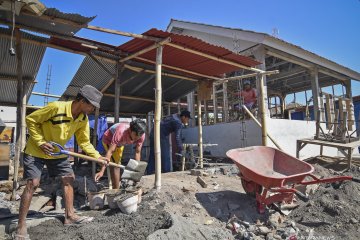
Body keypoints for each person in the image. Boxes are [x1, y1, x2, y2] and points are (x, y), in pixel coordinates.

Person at [14, 85, 108, 240]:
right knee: (33, 182)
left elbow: (84, 142)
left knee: (68, 178)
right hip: (37, 150)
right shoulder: (56, 108)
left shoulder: (82, 119)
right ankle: (21, 225)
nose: (92, 109)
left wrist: (98, 156)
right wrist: (40, 141)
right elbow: (31, 120)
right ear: (82, 100)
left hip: (57, 151)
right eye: (91, 105)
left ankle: (69, 216)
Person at [94, 119, 146, 189]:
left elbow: (137, 152)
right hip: (108, 141)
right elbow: (110, 151)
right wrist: (102, 171)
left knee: (117, 163)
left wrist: (137, 173)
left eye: (139, 136)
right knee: (116, 165)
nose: (137, 138)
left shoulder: (141, 135)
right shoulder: (121, 131)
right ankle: (116, 190)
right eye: (136, 135)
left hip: (120, 144)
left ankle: (117, 185)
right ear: (130, 130)